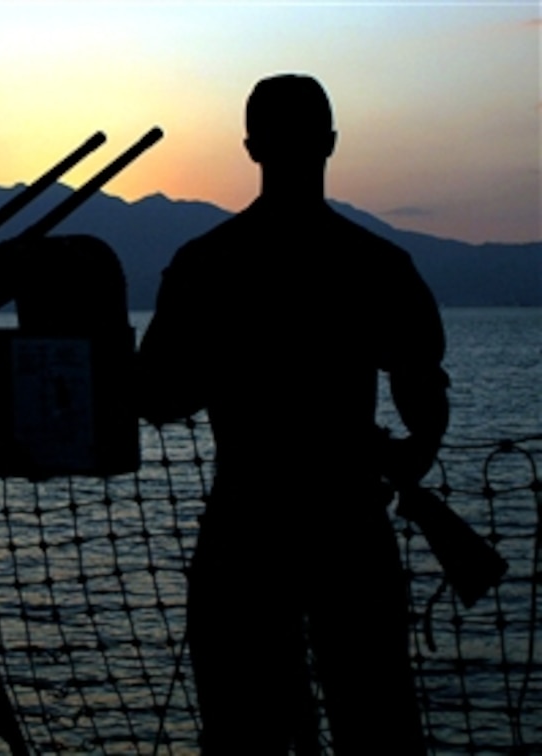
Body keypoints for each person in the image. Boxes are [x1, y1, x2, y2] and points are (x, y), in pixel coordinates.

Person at [138, 74, 448, 754]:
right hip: (349, 532)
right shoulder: (379, 264)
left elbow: (159, 398)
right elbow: (424, 400)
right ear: (331, 144)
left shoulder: (204, 264)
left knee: (242, 735)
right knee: (378, 730)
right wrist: (398, 455)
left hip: (243, 530)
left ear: (251, 149)